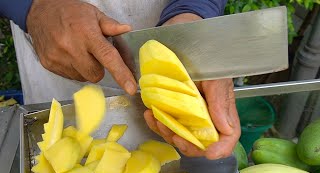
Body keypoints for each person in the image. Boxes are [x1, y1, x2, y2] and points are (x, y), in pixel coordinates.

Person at [1, 0, 240, 164]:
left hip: (173, 50)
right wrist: (31, 7)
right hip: (54, 59)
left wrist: (193, 11)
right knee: (53, 149)